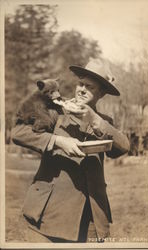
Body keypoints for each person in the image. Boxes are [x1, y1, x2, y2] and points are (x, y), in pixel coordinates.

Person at [11, 58, 130, 243]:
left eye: (89, 86)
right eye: (80, 84)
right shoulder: (57, 109)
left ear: (102, 93)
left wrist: (94, 119)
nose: (81, 89)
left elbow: (123, 146)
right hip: (50, 215)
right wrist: (57, 141)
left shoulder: (104, 122)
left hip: (90, 218)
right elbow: (18, 132)